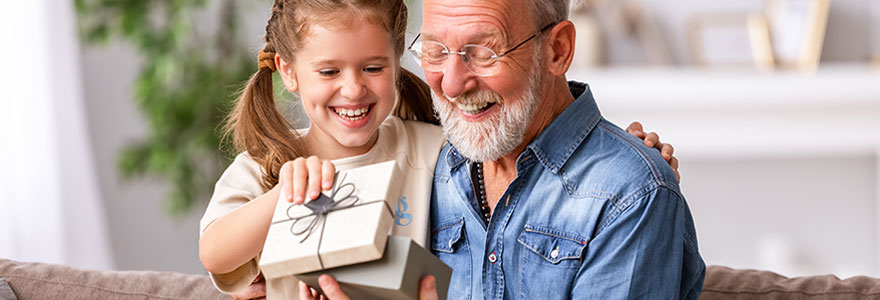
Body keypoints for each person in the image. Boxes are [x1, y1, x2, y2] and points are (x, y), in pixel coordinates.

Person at [200, 0, 681, 299]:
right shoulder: (271, 167)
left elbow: (577, 163)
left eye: (485, 50)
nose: (353, 90)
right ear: (288, 71)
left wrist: (629, 162)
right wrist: (286, 198)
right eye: (435, 50)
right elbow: (217, 253)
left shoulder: (430, 151)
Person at [419, 0, 705, 299]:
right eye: (435, 51)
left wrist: (637, 167)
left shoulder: (631, 193)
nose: (451, 85)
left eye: (483, 53)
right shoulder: (420, 163)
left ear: (558, 49)